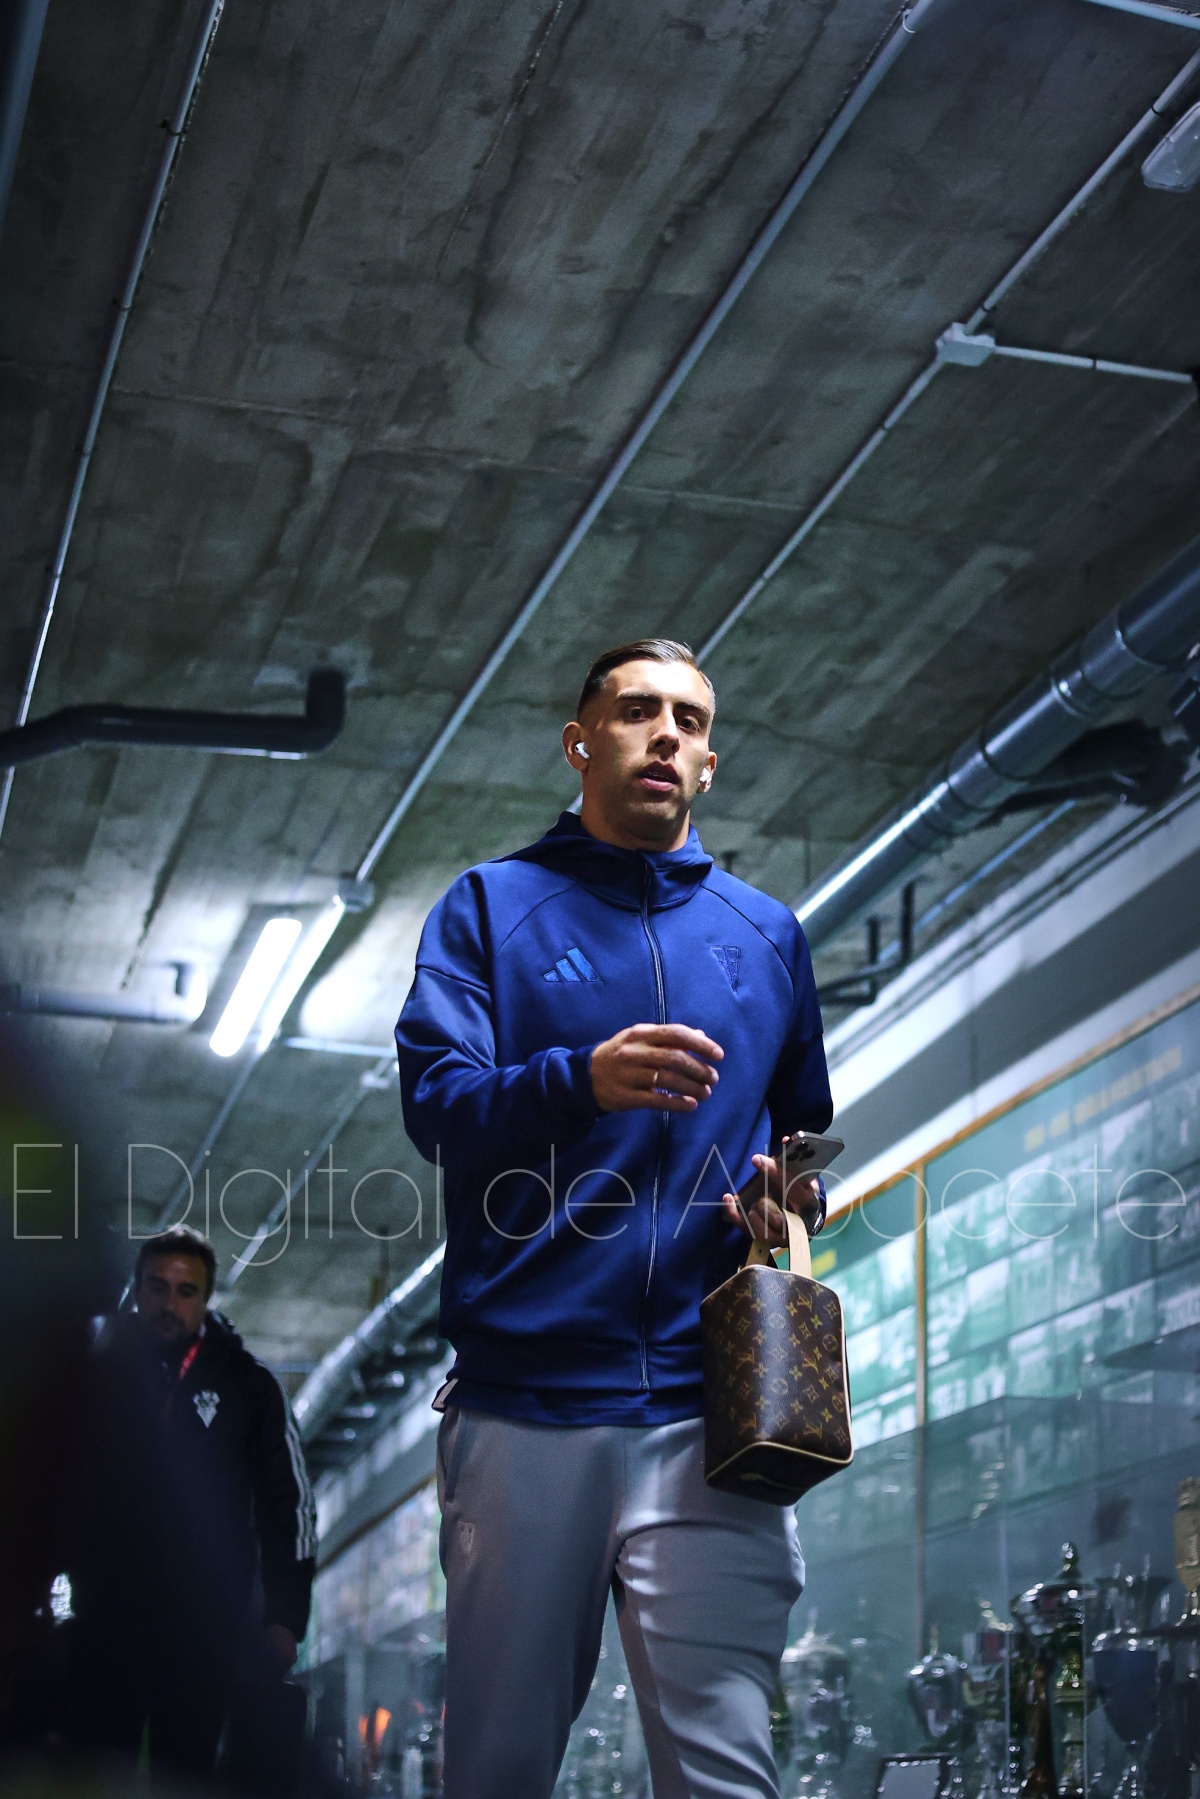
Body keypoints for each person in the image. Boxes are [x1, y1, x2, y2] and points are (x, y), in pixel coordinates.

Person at [395, 637, 834, 1798]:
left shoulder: (767, 934)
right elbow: (436, 1103)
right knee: (496, 1769)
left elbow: (800, 1135)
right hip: (528, 1408)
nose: (666, 734)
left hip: (715, 1414)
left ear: (710, 763)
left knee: (728, 1774)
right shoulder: (490, 907)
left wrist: (786, 1197)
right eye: (637, 709)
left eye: (690, 719)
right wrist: (577, 1081)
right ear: (580, 741)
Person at [64, 1225, 317, 1785]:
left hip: (203, 1633)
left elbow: (289, 1507)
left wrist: (284, 1618)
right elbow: (52, 1489)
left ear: (205, 1300)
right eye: (157, 1287)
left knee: (185, 1775)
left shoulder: (249, 1387)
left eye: (185, 1292)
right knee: (94, 1772)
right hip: (104, 1623)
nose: (169, 1304)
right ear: (137, 1291)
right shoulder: (95, 1380)